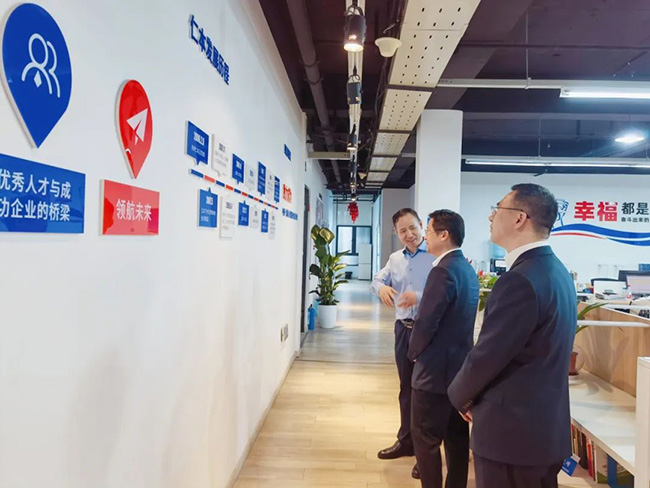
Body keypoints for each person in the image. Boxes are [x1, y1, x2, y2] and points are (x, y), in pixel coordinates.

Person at [448, 183, 577, 488]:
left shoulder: (519, 280)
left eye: (498, 208)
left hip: (511, 435)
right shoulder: (557, 271)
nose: (491, 216)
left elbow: (488, 356)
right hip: (543, 431)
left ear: (520, 218)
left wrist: (458, 396)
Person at [408, 210, 479, 488]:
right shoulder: (467, 269)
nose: (424, 237)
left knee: (425, 441)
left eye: (428, 231)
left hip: (433, 374)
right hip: (460, 374)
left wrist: (413, 353)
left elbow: (426, 321)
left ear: (444, 235)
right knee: (457, 440)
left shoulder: (442, 271)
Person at [371, 208, 435, 479]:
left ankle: (426, 454)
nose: (409, 234)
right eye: (402, 231)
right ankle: (406, 441)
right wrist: (382, 288)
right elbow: (377, 280)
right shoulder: (395, 259)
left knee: (425, 394)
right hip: (403, 330)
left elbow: (442, 291)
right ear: (396, 233)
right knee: (406, 388)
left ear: (422, 225)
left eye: (412, 228)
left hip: (428, 331)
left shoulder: (436, 255)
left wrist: (418, 295)